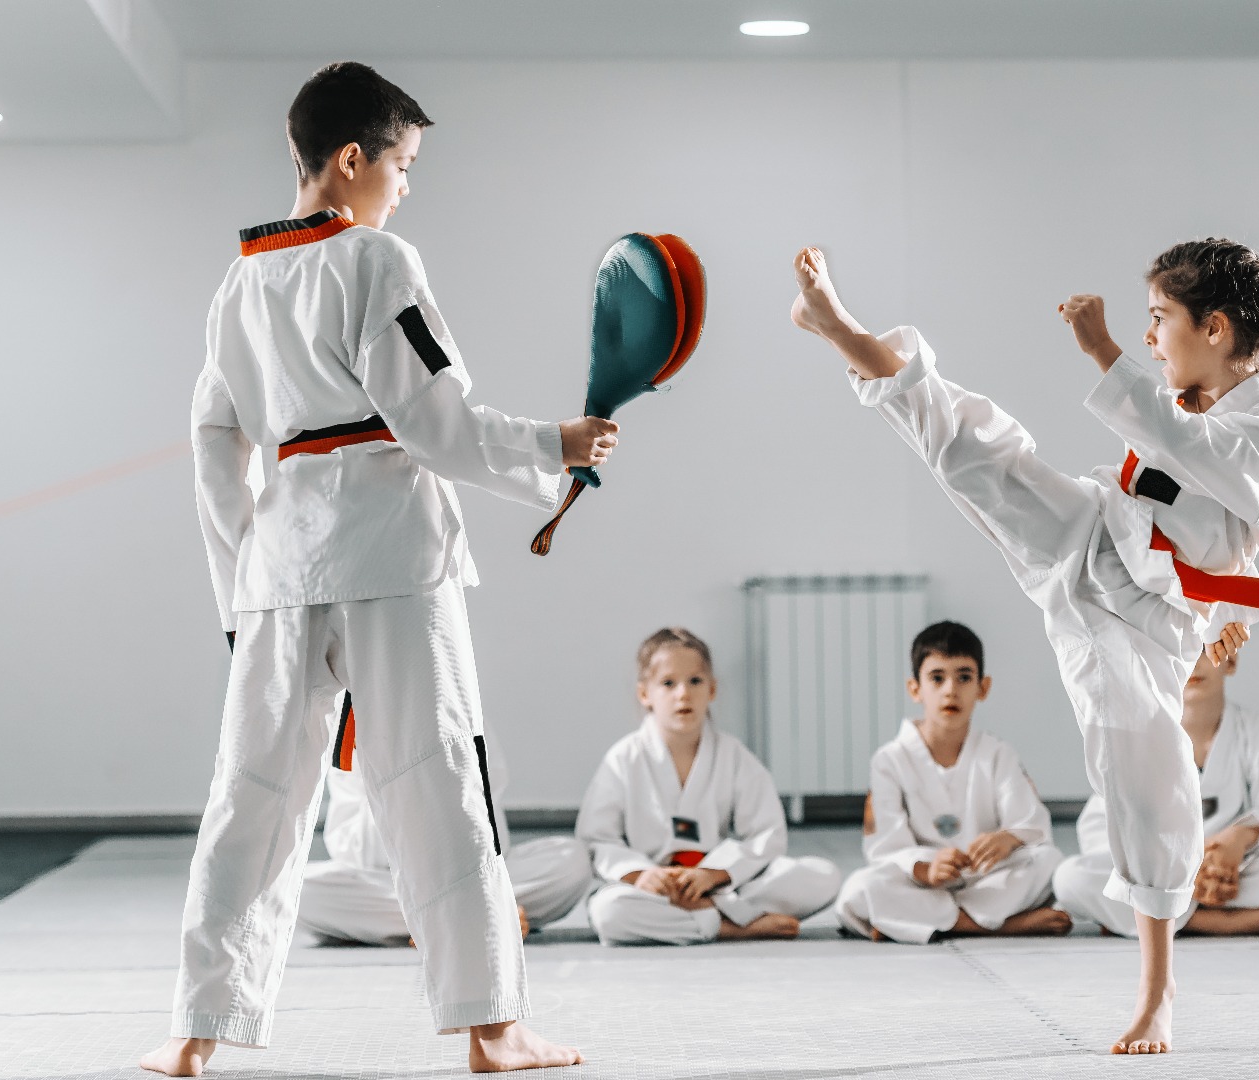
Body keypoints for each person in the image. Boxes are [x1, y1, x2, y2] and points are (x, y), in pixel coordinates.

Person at [787, 240, 1259, 1054]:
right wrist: (1127, 368)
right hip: (1092, 535)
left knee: (1145, 777)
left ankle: (1156, 994)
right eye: (1144, 326)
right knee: (980, 458)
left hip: (1142, 628)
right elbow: (1173, 478)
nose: (1150, 338)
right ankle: (847, 333)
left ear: (1214, 328)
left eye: (1159, 321)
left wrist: (1106, 353)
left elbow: (1213, 485)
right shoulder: (1187, 399)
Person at [144, 62, 610, 1076]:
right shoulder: (379, 261)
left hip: (276, 567)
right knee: (439, 783)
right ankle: (493, 1027)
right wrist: (554, 447)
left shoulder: (238, 283)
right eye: (401, 164)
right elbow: (433, 427)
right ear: (352, 160)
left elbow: (213, 442)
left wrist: (240, 591)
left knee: (251, 794)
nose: (405, 185)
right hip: (392, 555)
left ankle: (195, 1031)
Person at [576, 628, 840, 946]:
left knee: (822, 875)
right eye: (668, 683)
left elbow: (766, 834)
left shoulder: (734, 757)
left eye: (695, 681)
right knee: (608, 911)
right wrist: (641, 875)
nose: (683, 694)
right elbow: (596, 838)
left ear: (712, 689)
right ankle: (729, 926)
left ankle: (702, 913)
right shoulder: (624, 759)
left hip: (714, 885)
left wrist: (714, 873)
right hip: (652, 891)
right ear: (644, 694)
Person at [1055, 649, 1259, 937]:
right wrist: (1172, 870)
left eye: (1204, 650)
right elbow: (1099, 830)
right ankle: (1221, 921)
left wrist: (1236, 840)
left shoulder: (1258, 733)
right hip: (1163, 879)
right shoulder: (1139, 740)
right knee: (1070, 878)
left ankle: (1156, 919)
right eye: (1178, 651)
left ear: (1231, 661)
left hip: (1233, 872)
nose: (1192, 663)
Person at [835, 621, 1070, 943]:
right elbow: (884, 848)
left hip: (985, 877)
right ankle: (1000, 925)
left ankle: (924, 922)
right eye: (937, 678)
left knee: (1049, 863)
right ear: (915, 688)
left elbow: (1032, 826)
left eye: (963, 677)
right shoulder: (890, 760)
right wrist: (926, 869)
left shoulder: (997, 754)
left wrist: (1009, 838)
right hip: (923, 883)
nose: (950, 690)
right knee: (858, 891)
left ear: (982, 688)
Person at [297, 700, 591, 945]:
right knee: (301, 889)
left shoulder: (461, 706)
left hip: (470, 877)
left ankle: (438, 920)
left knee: (571, 861)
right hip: (394, 883)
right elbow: (353, 851)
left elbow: (492, 833)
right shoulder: (348, 720)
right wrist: (391, 771)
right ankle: (480, 918)